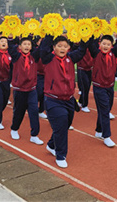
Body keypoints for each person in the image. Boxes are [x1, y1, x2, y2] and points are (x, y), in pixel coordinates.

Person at [40, 35, 87, 168]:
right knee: (61, 124)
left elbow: (82, 51)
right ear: (54, 47)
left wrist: (84, 36)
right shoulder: (48, 58)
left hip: (69, 99)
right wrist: (49, 33)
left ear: (69, 48)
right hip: (53, 100)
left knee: (65, 124)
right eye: (59, 46)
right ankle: (60, 155)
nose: (62, 48)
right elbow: (43, 49)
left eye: (65, 46)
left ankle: (51, 145)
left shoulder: (71, 58)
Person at [88, 34, 117, 148]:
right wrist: (91, 32)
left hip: (110, 86)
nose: (106, 46)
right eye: (104, 44)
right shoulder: (96, 53)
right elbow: (90, 44)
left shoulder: (114, 53)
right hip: (99, 86)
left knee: (106, 108)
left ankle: (99, 130)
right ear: (100, 44)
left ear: (111, 45)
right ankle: (107, 136)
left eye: (108, 44)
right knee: (105, 110)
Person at [7, 37, 44, 145]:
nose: (27, 46)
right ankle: (14, 129)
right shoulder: (16, 56)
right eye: (24, 44)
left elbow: (43, 47)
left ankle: (34, 135)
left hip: (32, 90)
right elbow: (10, 48)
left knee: (34, 112)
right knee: (19, 111)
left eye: (28, 44)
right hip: (19, 90)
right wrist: (11, 36)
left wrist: (48, 34)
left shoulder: (34, 57)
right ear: (20, 46)